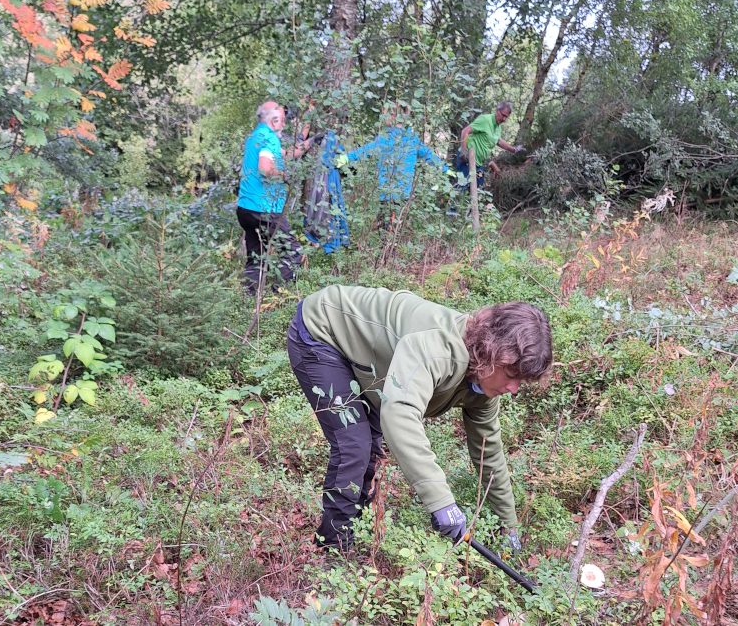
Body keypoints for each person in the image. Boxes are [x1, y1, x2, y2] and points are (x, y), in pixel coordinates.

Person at [287, 284, 553, 552]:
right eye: (511, 376)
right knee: (354, 445)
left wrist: (508, 525)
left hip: (370, 358)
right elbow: (400, 412)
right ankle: (334, 547)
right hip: (324, 330)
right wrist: (442, 502)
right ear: (493, 354)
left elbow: (489, 452)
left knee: (370, 449)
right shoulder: (439, 349)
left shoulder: (484, 383)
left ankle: (360, 533)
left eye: (521, 381)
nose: (514, 389)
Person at [236, 101, 315, 294]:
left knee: (256, 257)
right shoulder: (270, 138)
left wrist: (311, 140)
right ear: (274, 120)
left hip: (246, 208)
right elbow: (265, 168)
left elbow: (288, 154)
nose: (285, 124)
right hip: (264, 209)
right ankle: (279, 294)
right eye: (283, 120)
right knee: (293, 252)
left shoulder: (256, 136)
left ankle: (248, 297)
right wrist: (284, 176)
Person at [456, 102, 524, 190]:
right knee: (462, 188)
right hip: (466, 159)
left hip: (478, 164)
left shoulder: (498, 127)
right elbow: (465, 131)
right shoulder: (485, 120)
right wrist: (463, 151)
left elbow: (498, 141)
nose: (504, 119)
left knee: (478, 188)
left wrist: (514, 149)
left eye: (506, 117)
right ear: (497, 110)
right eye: (503, 115)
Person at [303, 130, 350, 254]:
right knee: (322, 204)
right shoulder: (323, 165)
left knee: (328, 205)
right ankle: (322, 238)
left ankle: (328, 239)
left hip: (328, 178)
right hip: (323, 178)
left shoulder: (330, 166)